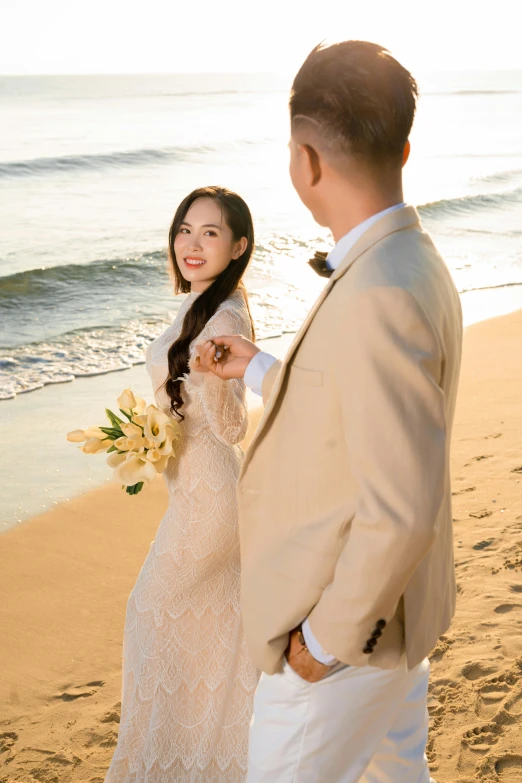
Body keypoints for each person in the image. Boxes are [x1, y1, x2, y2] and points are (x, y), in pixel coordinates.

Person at [195, 42, 463, 782]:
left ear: (306, 161)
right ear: (403, 146)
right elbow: (351, 411)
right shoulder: (411, 259)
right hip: (394, 619)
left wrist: (324, 638)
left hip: (348, 638)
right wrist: (255, 365)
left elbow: (401, 508)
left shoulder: (379, 290)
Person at [105, 186, 259, 782]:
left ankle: (176, 763)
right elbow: (186, 412)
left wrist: (215, 382)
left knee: (152, 610)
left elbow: (232, 425)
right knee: (211, 626)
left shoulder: (225, 316)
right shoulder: (206, 302)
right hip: (192, 490)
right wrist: (149, 433)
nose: (192, 245)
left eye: (211, 233)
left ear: (238, 246)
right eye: (185, 230)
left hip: (213, 496)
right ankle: (206, 761)